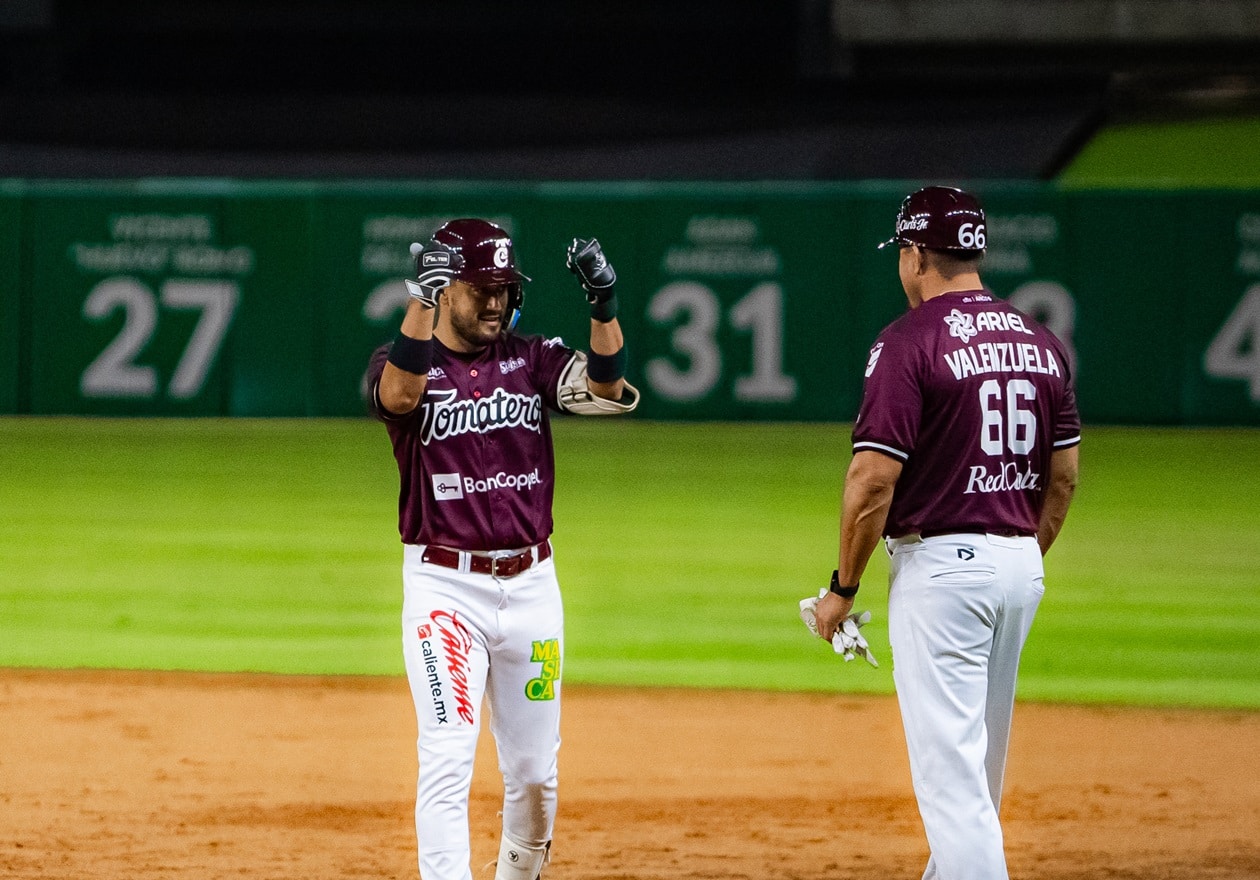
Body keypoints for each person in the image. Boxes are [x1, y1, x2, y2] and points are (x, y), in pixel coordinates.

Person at [812, 186, 1080, 880]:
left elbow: (871, 480)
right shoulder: (1041, 341)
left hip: (944, 574)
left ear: (917, 254)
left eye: (903, 252)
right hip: (1021, 564)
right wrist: (1014, 554)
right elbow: (1065, 479)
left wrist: (843, 588)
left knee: (952, 790)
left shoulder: (909, 341)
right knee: (975, 779)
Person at [365, 218, 639, 880]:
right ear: (446, 288)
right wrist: (420, 303)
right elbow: (396, 397)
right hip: (443, 590)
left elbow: (604, 386)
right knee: (448, 751)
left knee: (535, 776)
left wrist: (604, 305)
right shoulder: (406, 360)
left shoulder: (530, 358)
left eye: (504, 289)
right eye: (480, 288)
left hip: (532, 592)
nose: (495, 302)